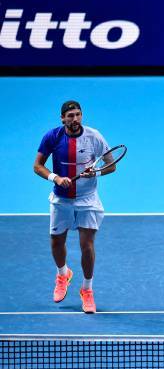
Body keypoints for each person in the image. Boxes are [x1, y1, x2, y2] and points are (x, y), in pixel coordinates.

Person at [33, 101, 115, 314]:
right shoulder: (52, 137)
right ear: (62, 118)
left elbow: (111, 165)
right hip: (62, 199)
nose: (75, 119)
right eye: (70, 116)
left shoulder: (94, 136)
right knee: (56, 242)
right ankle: (63, 274)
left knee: (87, 245)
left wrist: (95, 173)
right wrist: (55, 177)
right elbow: (37, 166)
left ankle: (87, 290)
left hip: (87, 200)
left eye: (78, 114)